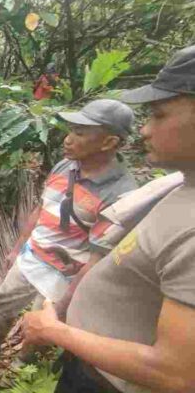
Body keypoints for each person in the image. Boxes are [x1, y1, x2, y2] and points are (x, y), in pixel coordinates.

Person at [22, 45, 195, 393]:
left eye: (159, 115)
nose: (145, 131)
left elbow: (178, 375)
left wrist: (56, 332)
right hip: (88, 368)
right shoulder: (178, 186)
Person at [0, 99, 137, 357]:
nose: (68, 139)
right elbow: (41, 208)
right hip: (33, 256)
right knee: (2, 306)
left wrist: (65, 303)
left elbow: (97, 259)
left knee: (39, 336)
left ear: (109, 143)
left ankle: (21, 375)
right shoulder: (66, 166)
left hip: (66, 276)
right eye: (71, 130)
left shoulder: (120, 194)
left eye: (80, 133)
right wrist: (18, 249)